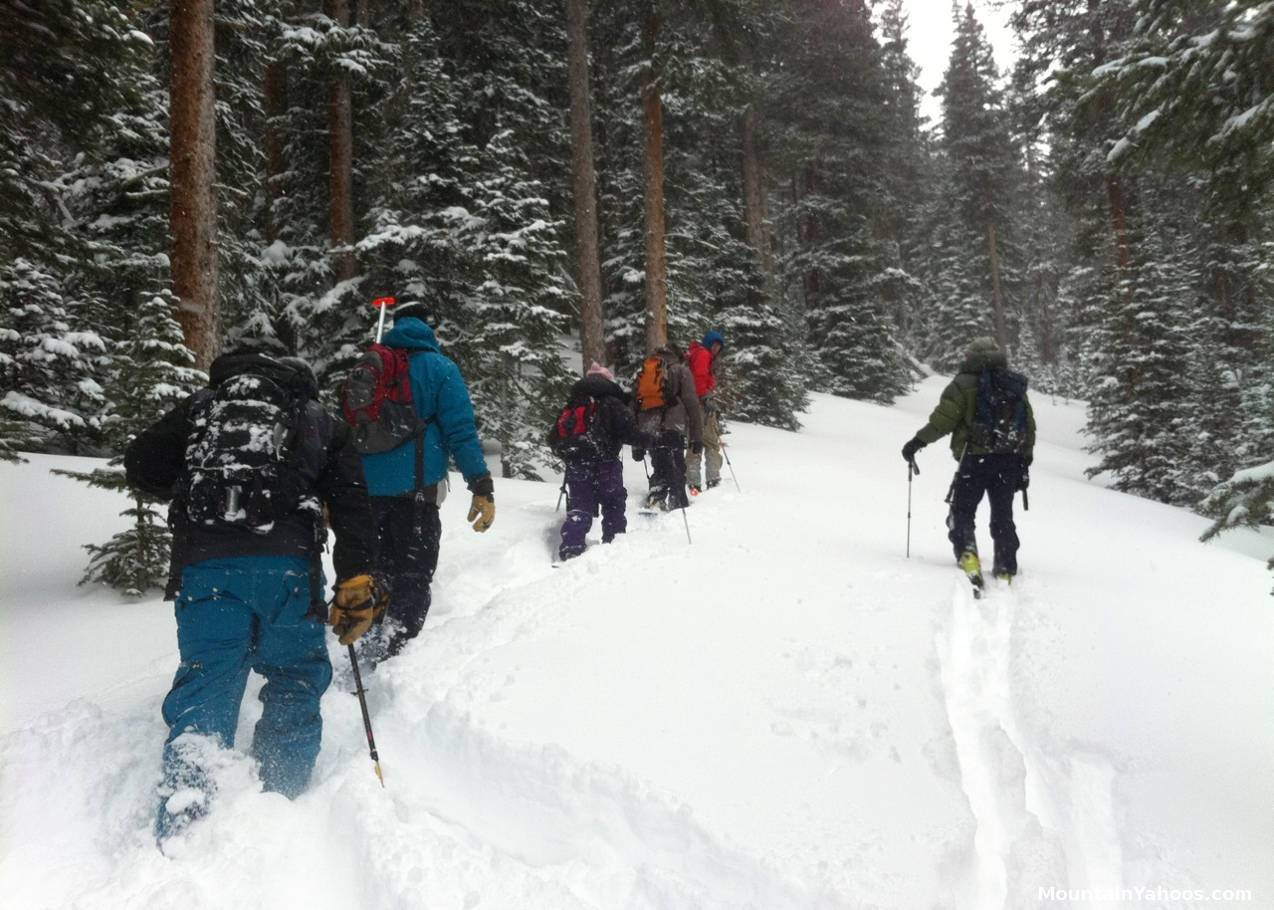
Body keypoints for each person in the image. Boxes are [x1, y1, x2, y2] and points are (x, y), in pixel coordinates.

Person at [124, 349, 381, 842]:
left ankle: (186, 822)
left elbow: (141, 465)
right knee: (294, 676)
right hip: (287, 569)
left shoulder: (201, 408)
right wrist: (356, 576)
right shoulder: (317, 419)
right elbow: (352, 505)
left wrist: (193, 487)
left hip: (206, 566)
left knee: (208, 681)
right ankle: (277, 803)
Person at [356, 300, 494, 661]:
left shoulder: (371, 366)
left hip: (367, 492)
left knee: (378, 568)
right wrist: (481, 485)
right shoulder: (440, 369)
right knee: (413, 575)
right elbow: (461, 431)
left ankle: (369, 638)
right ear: (430, 326)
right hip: (416, 493)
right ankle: (397, 655)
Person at [900, 336, 1035, 580]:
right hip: (1008, 460)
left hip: (974, 458)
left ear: (972, 357)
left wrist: (917, 442)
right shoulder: (1012, 384)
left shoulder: (962, 385)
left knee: (962, 510)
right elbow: (1029, 426)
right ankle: (1005, 566)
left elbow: (943, 421)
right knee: (1003, 514)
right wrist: (1024, 461)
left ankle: (968, 553)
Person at [552, 362, 654, 561]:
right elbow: (629, 432)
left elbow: (554, 438)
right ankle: (614, 543)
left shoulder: (573, 403)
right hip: (607, 464)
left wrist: (572, 454)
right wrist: (650, 440)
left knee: (580, 505)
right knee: (613, 503)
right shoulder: (611, 402)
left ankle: (572, 547)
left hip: (578, 465)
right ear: (607, 381)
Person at [634, 344, 704, 511]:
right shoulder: (681, 371)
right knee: (676, 465)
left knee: (659, 463)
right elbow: (692, 405)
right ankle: (678, 504)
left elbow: (634, 405)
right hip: (674, 426)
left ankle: (656, 496)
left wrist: (637, 443)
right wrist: (697, 437)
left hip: (649, 427)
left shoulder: (644, 370)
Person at [684, 329, 725, 494]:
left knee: (696, 441)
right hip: (701, 404)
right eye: (714, 344)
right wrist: (706, 398)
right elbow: (699, 378)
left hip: (696, 403)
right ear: (708, 343)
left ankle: (694, 481)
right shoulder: (703, 354)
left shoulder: (698, 353)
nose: (716, 348)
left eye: (719, 346)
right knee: (709, 442)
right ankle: (712, 479)